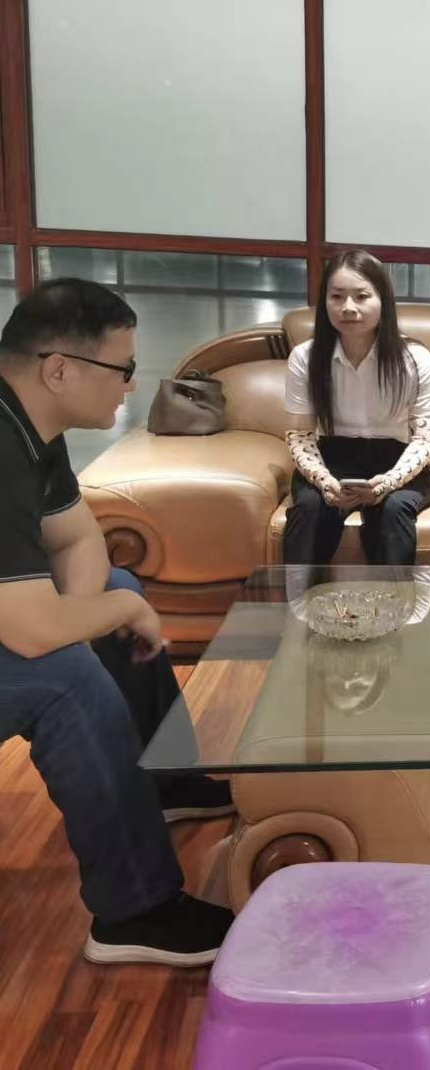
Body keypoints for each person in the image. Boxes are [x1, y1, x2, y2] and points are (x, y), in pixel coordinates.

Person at [0, 278, 233, 965]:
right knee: (66, 676)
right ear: (58, 369)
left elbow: (79, 538)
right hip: (15, 627)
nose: (132, 384)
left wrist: (89, 615)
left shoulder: (30, 426)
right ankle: (135, 910)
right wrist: (106, 617)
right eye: (122, 368)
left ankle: (164, 782)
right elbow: (31, 633)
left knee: (111, 590)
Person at [282, 249, 430, 567]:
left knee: (394, 511)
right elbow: (299, 434)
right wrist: (324, 481)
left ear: (383, 301)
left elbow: (424, 438)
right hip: (330, 460)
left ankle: (393, 601)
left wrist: (388, 482)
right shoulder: (305, 357)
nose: (348, 307)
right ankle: (300, 599)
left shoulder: (415, 358)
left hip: (396, 462)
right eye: (337, 296)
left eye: (362, 296)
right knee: (310, 510)